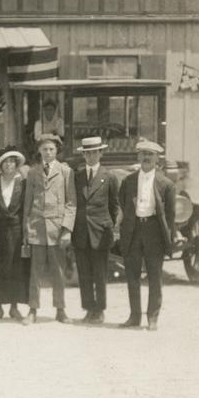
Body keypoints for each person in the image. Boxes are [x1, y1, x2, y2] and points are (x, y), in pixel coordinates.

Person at [118, 139, 176, 331]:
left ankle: (153, 318)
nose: (146, 158)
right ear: (138, 156)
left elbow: (170, 215)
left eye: (150, 154)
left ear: (157, 158)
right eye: (143, 154)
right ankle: (134, 317)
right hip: (133, 232)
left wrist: (169, 238)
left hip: (154, 233)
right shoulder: (128, 181)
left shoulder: (166, 184)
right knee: (132, 276)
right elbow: (122, 203)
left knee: (154, 276)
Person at [23, 133, 76, 325]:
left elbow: (71, 203)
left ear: (57, 151)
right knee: (35, 272)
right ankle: (32, 309)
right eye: (44, 149)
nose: (47, 153)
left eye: (51, 149)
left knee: (58, 272)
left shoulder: (65, 172)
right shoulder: (32, 172)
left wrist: (67, 229)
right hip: (36, 227)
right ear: (39, 151)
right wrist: (26, 229)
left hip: (56, 229)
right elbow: (28, 203)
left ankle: (60, 310)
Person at [72, 136, 120, 324]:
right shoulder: (77, 177)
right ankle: (88, 309)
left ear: (101, 153)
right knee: (84, 274)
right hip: (81, 233)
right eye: (87, 153)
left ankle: (99, 310)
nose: (91, 156)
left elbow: (114, 206)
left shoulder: (109, 177)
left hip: (100, 232)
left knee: (99, 274)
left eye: (94, 152)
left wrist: (108, 225)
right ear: (83, 155)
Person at [0, 145, 29, 321]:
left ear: (17, 165)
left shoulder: (23, 184)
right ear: (1, 165)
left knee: (16, 268)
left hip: (17, 231)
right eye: (6, 162)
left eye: (13, 162)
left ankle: (14, 306)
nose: (9, 165)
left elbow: (26, 208)